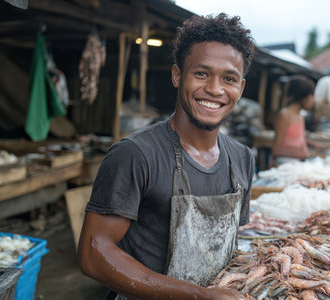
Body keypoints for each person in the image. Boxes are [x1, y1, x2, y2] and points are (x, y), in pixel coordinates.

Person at [77, 13, 256, 300]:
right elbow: (93, 253)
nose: (214, 89)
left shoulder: (242, 159)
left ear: (241, 88)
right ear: (177, 75)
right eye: (201, 73)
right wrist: (196, 295)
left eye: (229, 78)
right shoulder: (135, 154)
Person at [269, 75, 326, 167]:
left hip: (299, 162)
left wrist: (315, 145)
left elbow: (299, 138)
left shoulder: (300, 116)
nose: (313, 100)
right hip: (285, 163)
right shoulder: (285, 115)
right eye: (311, 96)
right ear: (303, 97)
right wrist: (273, 160)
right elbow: (277, 142)